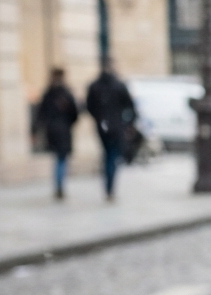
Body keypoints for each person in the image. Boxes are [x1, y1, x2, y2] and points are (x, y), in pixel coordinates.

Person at [85, 61, 137, 201]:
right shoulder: (118, 85)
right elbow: (131, 106)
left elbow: (89, 106)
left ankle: (108, 188)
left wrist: (98, 118)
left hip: (102, 127)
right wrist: (128, 123)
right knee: (112, 156)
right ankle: (110, 189)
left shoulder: (95, 86)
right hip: (116, 127)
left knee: (107, 155)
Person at [32, 69, 79, 201]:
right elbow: (74, 114)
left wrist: (35, 130)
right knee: (61, 159)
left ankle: (58, 185)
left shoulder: (49, 94)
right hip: (63, 130)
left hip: (52, 131)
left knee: (58, 159)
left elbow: (40, 114)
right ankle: (59, 185)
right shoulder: (66, 93)